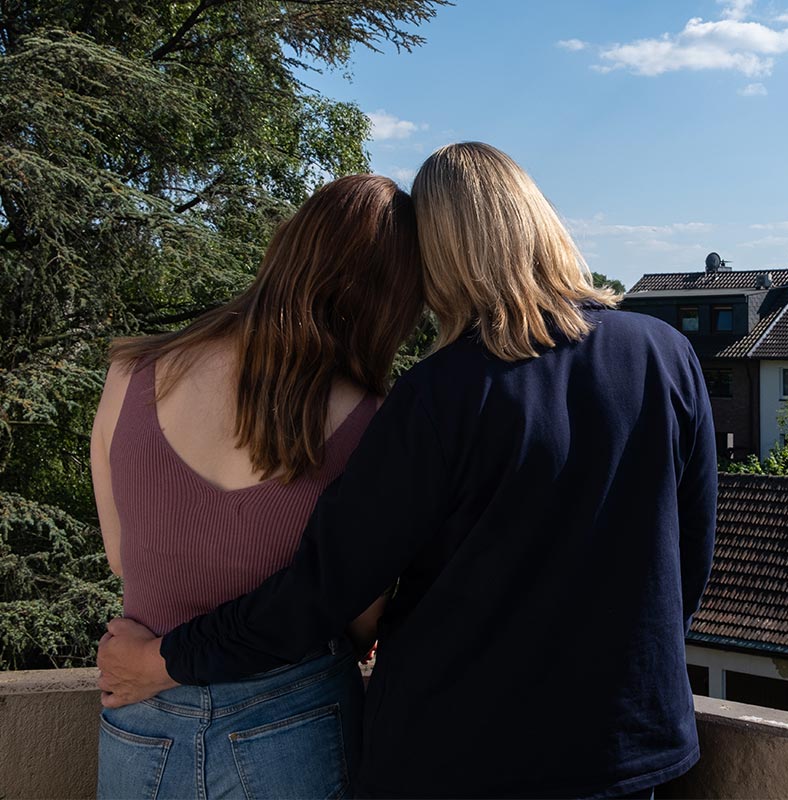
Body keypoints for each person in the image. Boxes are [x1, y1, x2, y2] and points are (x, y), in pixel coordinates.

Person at [98, 143, 717, 799]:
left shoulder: (440, 393)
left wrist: (169, 658)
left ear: (442, 258)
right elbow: (689, 557)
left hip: (458, 758)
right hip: (626, 748)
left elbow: (324, 589)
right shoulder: (668, 356)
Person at [90, 174, 424, 799]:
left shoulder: (129, 372)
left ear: (289, 247)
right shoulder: (371, 420)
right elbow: (359, 613)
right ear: (391, 298)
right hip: (295, 712)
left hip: (137, 710)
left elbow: (120, 556)